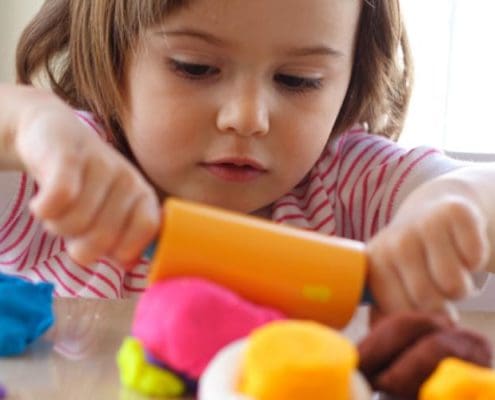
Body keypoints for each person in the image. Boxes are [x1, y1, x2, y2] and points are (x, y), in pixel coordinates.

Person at [0, 0, 493, 318]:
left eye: (298, 79)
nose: (248, 117)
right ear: (112, 56)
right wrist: (28, 123)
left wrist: (455, 203)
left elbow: (481, 189)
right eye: (195, 67)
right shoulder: (62, 178)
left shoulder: (346, 182)